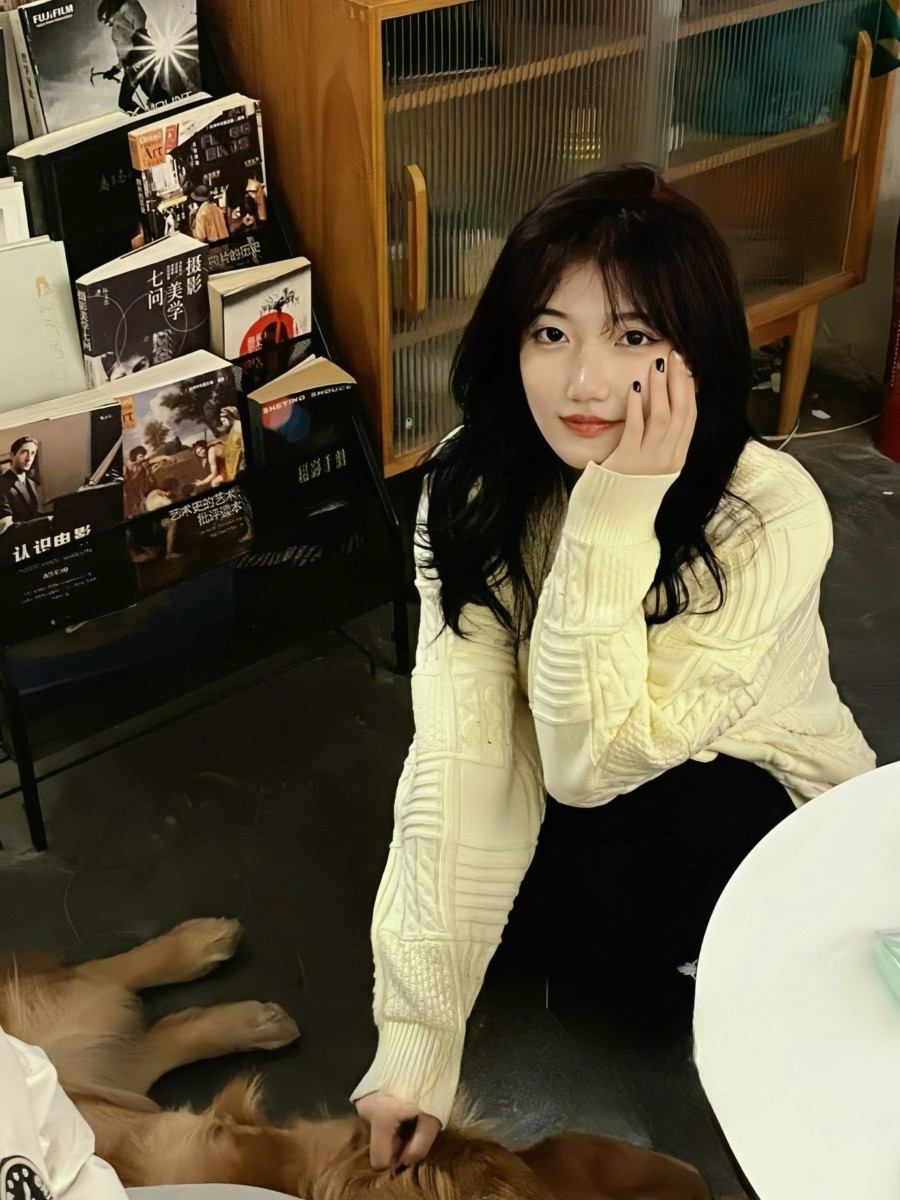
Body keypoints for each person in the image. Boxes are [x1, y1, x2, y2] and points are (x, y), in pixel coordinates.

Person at [351, 165, 875, 1172]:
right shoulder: (471, 484)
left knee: (642, 868)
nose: (586, 383)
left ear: (697, 353)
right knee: (456, 813)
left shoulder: (768, 514)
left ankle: (677, 962)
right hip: (568, 767)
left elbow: (596, 764)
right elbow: (465, 750)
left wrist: (616, 509)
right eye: (550, 333)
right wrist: (415, 1045)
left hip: (733, 788)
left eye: (634, 337)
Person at [0, 436, 51, 539]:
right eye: (24, 452)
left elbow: (33, 515)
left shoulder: (31, 483)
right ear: (12, 455)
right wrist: (45, 521)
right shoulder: (2, 483)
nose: (29, 459)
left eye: (33, 453)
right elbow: (5, 525)